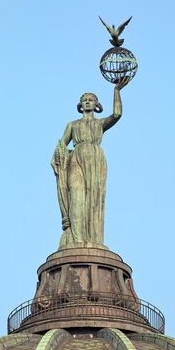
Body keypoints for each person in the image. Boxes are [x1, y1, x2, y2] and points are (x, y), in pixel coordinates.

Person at [52, 77, 127, 248]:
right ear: (80, 105)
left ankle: (93, 240)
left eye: (91, 100)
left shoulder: (100, 124)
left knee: (94, 200)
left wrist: (116, 91)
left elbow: (117, 114)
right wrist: (57, 160)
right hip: (75, 159)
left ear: (96, 105)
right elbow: (60, 148)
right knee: (77, 197)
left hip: (95, 159)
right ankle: (76, 240)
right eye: (84, 100)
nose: (87, 102)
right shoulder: (72, 125)